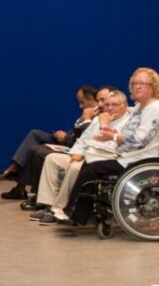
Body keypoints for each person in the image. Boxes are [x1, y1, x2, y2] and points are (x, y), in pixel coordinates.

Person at [62, 68, 159, 226]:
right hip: (129, 157)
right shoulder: (140, 107)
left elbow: (139, 140)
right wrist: (108, 123)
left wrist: (112, 135)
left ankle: (76, 215)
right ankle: (75, 213)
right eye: (134, 83)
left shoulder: (155, 109)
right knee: (90, 163)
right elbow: (127, 120)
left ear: (153, 86)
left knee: (91, 169)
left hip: (142, 161)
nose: (137, 87)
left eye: (142, 83)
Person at [32, 90, 130, 225]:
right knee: (52, 159)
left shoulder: (129, 122)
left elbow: (112, 146)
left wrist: (104, 125)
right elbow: (82, 140)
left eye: (114, 105)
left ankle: (58, 210)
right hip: (85, 155)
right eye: (107, 105)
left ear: (124, 106)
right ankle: (47, 204)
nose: (109, 108)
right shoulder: (98, 119)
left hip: (102, 158)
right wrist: (76, 153)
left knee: (74, 168)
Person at [0, 84, 97, 200]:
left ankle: (19, 179)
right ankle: (16, 169)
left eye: (82, 102)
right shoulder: (87, 112)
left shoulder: (96, 115)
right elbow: (76, 131)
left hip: (76, 148)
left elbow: (85, 137)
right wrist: (64, 134)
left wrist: (66, 138)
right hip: (69, 140)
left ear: (90, 99)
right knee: (35, 134)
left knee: (36, 150)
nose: (80, 106)